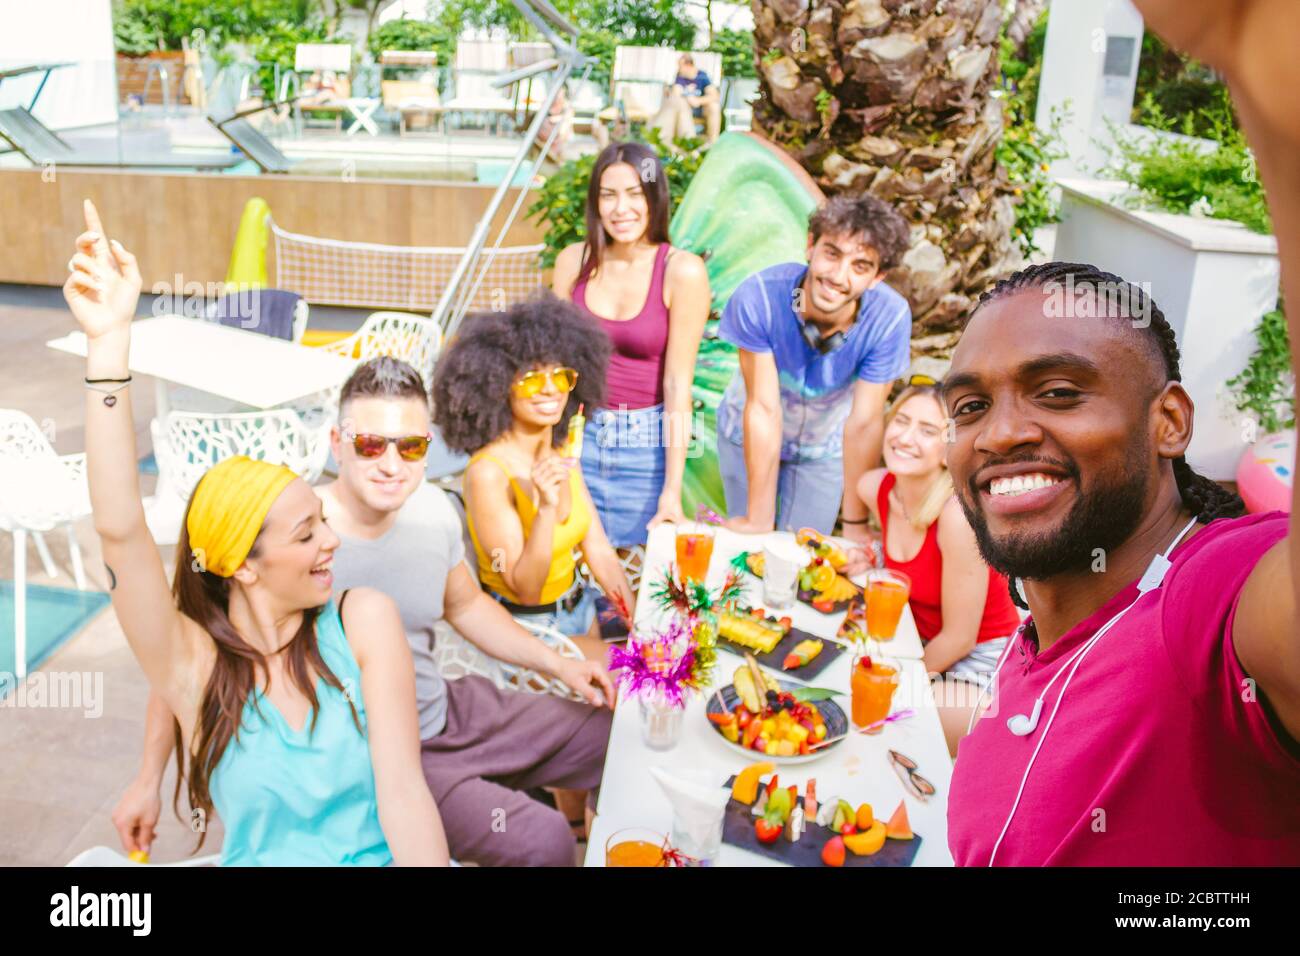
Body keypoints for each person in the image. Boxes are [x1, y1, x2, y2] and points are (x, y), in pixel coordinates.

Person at [115, 357, 615, 867]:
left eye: (412, 446)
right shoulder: (288, 533)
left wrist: (559, 664)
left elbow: (466, 605)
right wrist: (148, 777)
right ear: (337, 443)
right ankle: (526, 811)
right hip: (384, 755)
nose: (392, 464)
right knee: (541, 838)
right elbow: (191, 659)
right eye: (371, 444)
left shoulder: (433, 511)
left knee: (615, 736)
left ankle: (576, 821)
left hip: (448, 708)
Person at [65, 201, 447, 866]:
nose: (331, 542)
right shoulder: (193, 666)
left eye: (322, 524)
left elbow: (406, 796)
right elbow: (120, 530)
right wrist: (108, 347)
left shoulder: (364, 622)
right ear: (243, 564)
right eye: (306, 534)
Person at [434, 294, 637, 661]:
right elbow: (525, 590)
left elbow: (599, 550)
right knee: (641, 687)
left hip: (583, 612)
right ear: (497, 386)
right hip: (533, 629)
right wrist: (544, 510)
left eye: (561, 375)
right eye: (531, 379)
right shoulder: (488, 473)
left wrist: (638, 624)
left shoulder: (559, 449)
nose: (550, 389)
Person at [718, 194, 912, 540]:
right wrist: (758, 520)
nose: (838, 276)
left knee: (804, 555)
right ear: (811, 246)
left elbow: (864, 423)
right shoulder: (760, 295)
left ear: (877, 276)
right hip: (746, 431)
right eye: (832, 254)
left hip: (824, 450)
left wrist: (854, 524)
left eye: (860, 266)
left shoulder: (890, 318)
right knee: (747, 546)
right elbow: (763, 408)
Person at [552, 141, 711, 550]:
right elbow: (553, 366)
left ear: (654, 199)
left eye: (635, 194)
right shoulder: (573, 262)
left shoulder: (682, 271)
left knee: (637, 582)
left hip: (645, 449)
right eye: (608, 195)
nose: (621, 209)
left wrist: (672, 490)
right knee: (574, 573)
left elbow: (678, 386)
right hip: (577, 439)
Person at [849, 381, 1021, 755]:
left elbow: (960, 639)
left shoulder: (956, 518)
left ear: (949, 452)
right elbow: (858, 501)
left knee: (892, 718)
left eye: (928, 431)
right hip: (922, 643)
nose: (906, 437)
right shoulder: (877, 487)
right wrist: (868, 550)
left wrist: (893, 681)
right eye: (901, 421)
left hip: (982, 663)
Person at [651, 54, 722, 145]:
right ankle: (685, 140)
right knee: (680, 103)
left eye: (680, 66)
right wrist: (688, 96)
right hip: (684, 109)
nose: (679, 69)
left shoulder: (702, 77)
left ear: (688, 65)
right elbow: (676, 93)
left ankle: (713, 141)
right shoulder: (680, 77)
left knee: (714, 106)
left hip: (700, 109)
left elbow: (714, 96)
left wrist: (698, 101)